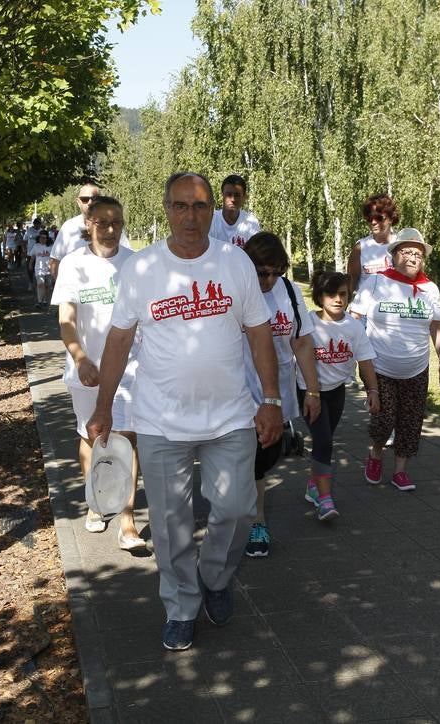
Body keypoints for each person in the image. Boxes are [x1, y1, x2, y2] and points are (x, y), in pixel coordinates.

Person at [88, 172, 283, 652]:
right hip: (160, 420)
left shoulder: (234, 262)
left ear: (212, 210)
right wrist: (104, 406)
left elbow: (260, 332)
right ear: (167, 210)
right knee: (171, 525)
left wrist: (272, 399)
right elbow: (119, 340)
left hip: (230, 416)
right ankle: (180, 606)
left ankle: (215, 577)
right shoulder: (143, 268)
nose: (190, 216)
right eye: (180, 206)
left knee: (237, 510)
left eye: (199, 206)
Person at [51, 197, 145, 547]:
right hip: (87, 369)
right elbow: (66, 320)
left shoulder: (135, 263)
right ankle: (96, 501)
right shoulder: (74, 264)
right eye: (103, 222)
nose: (110, 229)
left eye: (117, 222)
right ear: (88, 223)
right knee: (92, 435)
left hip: (131, 367)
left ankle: (127, 519)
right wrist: (80, 358)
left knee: (126, 437)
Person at [351, 228, 440, 491]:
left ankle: (400, 471)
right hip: (380, 367)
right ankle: (375, 453)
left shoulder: (429, 289)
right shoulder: (376, 282)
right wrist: (356, 354)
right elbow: (355, 317)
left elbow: (437, 326)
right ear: (393, 255)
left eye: (418, 254)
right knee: (384, 419)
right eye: (406, 252)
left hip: (416, 368)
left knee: (410, 421)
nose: (412, 257)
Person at [242, 232, 321, 555]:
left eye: (277, 272)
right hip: (239, 393)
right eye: (263, 272)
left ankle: (248, 515)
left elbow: (301, 341)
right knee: (247, 461)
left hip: (278, 395)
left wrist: (312, 390)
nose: (270, 280)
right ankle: (255, 521)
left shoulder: (289, 290)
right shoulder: (236, 289)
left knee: (264, 458)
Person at [305, 270, 379, 520]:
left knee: (324, 440)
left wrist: (373, 390)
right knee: (324, 441)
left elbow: (365, 360)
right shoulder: (307, 323)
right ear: (319, 296)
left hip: (336, 391)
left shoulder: (353, 326)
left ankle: (314, 484)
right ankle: (325, 500)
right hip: (308, 392)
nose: (338, 299)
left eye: (343, 294)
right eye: (331, 294)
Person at [49, 182, 131, 281]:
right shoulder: (69, 227)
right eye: (85, 199)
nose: (90, 202)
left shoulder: (114, 228)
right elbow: (55, 261)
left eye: (94, 198)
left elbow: (128, 257)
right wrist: (64, 285)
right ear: (78, 202)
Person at [347, 193, 399, 292]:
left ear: (391, 218)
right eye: (370, 218)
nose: (373, 222)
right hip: (366, 301)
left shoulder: (401, 245)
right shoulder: (360, 248)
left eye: (379, 218)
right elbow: (350, 286)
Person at [209, 173, 260, 248]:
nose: (233, 199)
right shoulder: (211, 220)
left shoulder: (252, 222)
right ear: (222, 195)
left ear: (244, 197)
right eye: (229, 194)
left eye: (237, 195)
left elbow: (255, 252)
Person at [29, 230, 52, 307]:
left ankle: (45, 300)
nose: (42, 239)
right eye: (40, 237)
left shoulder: (51, 246)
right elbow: (33, 257)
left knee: (47, 285)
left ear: (47, 238)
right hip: (38, 269)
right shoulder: (36, 246)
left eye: (44, 238)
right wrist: (30, 264)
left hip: (48, 270)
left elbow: (54, 258)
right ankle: (39, 301)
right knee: (40, 284)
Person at [24, 217, 42, 289]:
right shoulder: (29, 230)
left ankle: (38, 282)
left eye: (39, 224)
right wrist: (24, 250)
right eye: (36, 224)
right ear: (34, 224)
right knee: (30, 268)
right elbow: (25, 240)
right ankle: (30, 282)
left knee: (38, 268)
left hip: (39, 253)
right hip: (30, 253)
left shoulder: (41, 231)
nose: (38, 226)